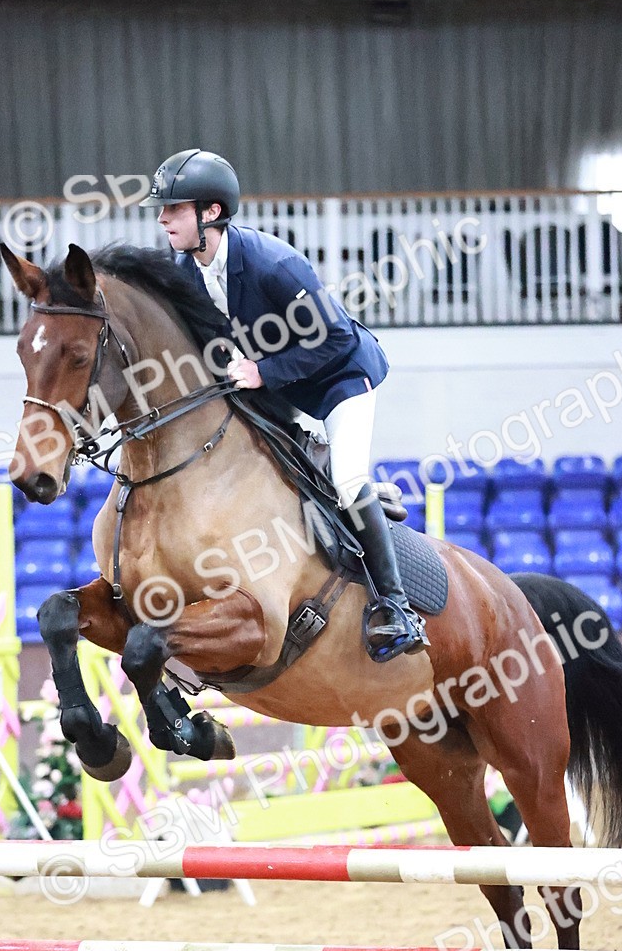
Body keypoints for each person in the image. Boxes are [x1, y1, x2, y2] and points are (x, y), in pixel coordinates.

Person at [140, 149, 428, 662]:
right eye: (163, 208)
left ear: (210, 213)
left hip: (341, 378)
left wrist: (261, 372)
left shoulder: (274, 264)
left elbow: (336, 339)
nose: (162, 218)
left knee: (347, 483)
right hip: (276, 388)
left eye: (175, 208)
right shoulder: (184, 271)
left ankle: (397, 607)